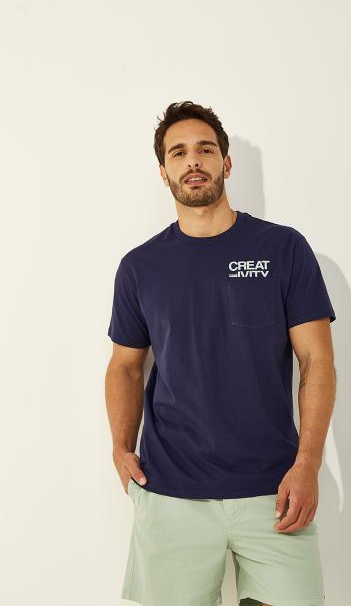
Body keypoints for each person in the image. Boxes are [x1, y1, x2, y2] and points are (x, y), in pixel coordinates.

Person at [105, 100, 337, 606]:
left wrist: (308, 464)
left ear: (226, 163)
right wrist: (121, 448)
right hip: (171, 493)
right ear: (163, 172)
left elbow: (317, 361)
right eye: (178, 152)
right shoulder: (140, 267)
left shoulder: (283, 249)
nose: (193, 160)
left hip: (275, 489)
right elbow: (125, 366)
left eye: (205, 149)